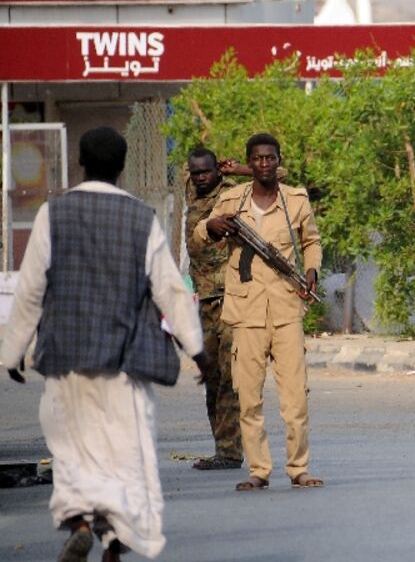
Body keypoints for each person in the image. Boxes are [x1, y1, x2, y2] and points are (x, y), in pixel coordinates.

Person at [1, 127, 209, 562]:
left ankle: (78, 521)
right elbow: (169, 290)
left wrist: (12, 349)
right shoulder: (141, 218)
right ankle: (115, 536)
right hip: (124, 362)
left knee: (72, 446)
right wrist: (197, 349)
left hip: (66, 357)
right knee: (123, 453)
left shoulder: (52, 214)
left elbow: (31, 288)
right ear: (120, 166)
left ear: (80, 162)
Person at [196, 133, 324, 491]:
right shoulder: (232, 200)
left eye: (271, 158)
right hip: (246, 310)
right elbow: (198, 234)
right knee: (249, 397)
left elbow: (311, 241)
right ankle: (259, 470)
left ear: (278, 161)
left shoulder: (295, 200)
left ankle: (299, 468)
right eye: (258, 159)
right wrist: (212, 226)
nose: (265, 164)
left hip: (286, 307)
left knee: (295, 398)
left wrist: (312, 270)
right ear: (249, 163)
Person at [185, 148, 244, 470]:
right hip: (204, 300)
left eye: (207, 171)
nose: (201, 177)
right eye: (195, 173)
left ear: (218, 171)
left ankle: (230, 452)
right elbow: (189, 170)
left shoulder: (233, 193)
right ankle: (222, 448)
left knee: (229, 378)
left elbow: (279, 175)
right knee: (211, 375)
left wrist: (240, 169)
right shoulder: (191, 189)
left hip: (229, 298)